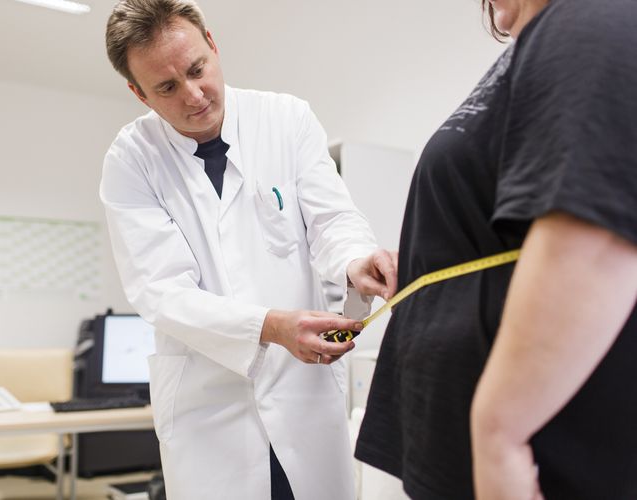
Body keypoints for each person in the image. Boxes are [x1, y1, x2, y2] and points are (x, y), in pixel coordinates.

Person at [100, 1, 397, 499]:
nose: (194, 95)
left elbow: (332, 219)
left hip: (304, 394)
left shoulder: (286, 118)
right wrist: (270, 327)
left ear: (212, 45)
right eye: (167, 87)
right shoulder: (131, 160)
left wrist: (356, 261)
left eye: (197, 69)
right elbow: (161, 291)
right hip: (209, 415)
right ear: (139, 93)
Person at [355, 0, 637, 498]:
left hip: (535, 457)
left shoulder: (590, 18)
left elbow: (593, 236)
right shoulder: (545, 42)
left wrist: (498, 433)